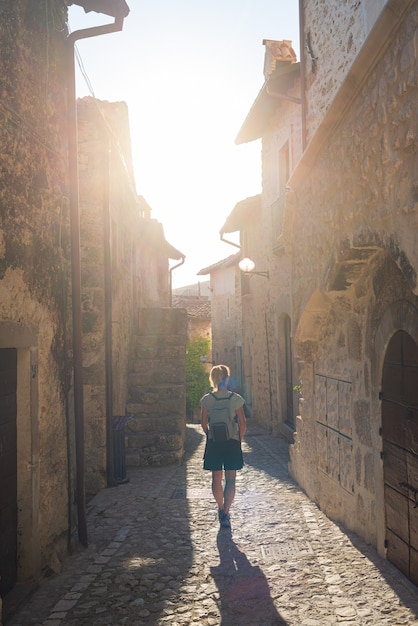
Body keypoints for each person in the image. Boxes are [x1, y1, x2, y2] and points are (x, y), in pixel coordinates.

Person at [200, 364, 246, 529]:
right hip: (232, 442)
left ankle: (220, 508)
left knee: (216, 478)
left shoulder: (207, 400)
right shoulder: (235, 399)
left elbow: (203, 423)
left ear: (212, 379)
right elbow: (243, 423)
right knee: (231, 479)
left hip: (214, 442)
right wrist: (238, 439)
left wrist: (210, 435)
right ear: (227, 378)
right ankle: (227, 512)